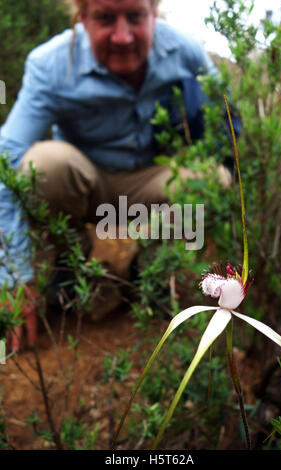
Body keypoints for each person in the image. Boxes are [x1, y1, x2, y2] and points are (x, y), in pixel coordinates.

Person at [0, 0, 237, 352]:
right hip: (86, 184)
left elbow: (228, 127)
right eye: (106, 18)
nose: (123, 37)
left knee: (212, 177)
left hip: (154, 182)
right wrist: (15, 275)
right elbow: (7, 162)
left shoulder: (184, 52)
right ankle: (68, 261)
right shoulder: (50, 64)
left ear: (154, 13)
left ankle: (155, 265)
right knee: (42, 165)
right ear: (82, 18)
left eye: (136, 17)